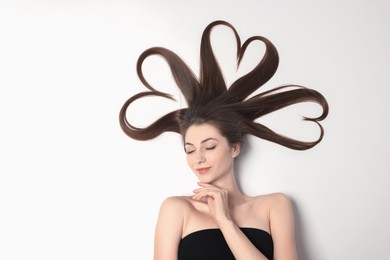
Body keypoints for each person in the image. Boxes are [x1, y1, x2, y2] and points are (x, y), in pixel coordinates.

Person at [119, 20, 328, 260]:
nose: (198, 158)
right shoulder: (177, 209)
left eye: (209, 146)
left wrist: (225, 221)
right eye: (189, 149)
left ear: (235, 148)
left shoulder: (274, 206)